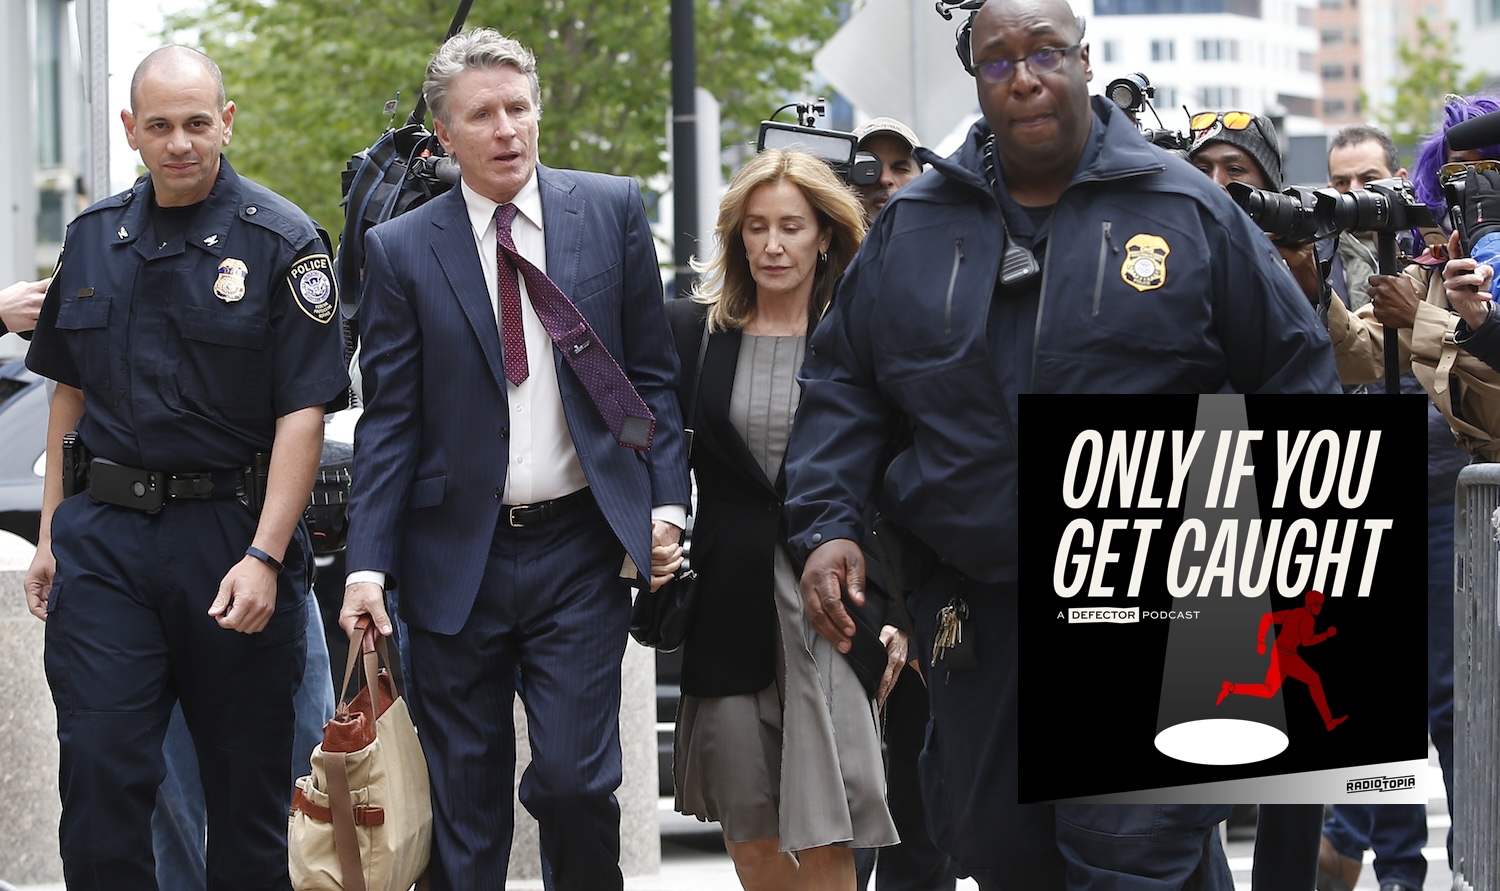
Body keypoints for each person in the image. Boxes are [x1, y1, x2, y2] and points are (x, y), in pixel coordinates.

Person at [781, 0, 1341, 886]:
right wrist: (827, 525)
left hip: (1150, 606)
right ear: (977, 77)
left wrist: (1278, 576)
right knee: (1002, 856)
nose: (1025, 76)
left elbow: (1297, 377)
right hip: (976, 614)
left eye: (1045, 52)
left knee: (1127, 859)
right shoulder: (914, 225)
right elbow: (844, 382)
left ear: (1085, 58)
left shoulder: (1187, 207)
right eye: (999, 60)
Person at [337, 29, 690, 891]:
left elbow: (649, 380)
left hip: (580, 545)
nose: (506, 129)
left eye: (518, 108)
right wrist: (368, 567)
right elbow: (389, 425)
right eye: (482, 115)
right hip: (456, 555)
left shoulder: (608, 211)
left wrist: (666, 506)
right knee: (466, 803)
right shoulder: (401, 250)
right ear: (444, 134)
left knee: (575, 783)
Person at [22, 44, 348, 891]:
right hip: (107, 547)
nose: (180, 143)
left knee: (246, 800)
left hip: (229, 543)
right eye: (160, 125)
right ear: (131, 130)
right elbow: (68, 393)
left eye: (197, 123)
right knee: (99, 773)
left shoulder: (283, 241)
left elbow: (302, 415)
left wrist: (267, 555)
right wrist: (52, 533)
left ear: (227, 122)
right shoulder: (92, 238)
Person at [663, 149, 900, 891]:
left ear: (825, 236)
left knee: (828, 827)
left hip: (836, 605)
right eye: (757, 227)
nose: (772, 244)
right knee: (751, 829)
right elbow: (648, 452)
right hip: (729, 608)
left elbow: (899, 484)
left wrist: (903, 612)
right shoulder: (692, 336)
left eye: (792, 227)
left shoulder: (865, 343)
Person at [1319, 95, 1500, 891]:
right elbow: (1360, 352)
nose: (1467, 193)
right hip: (1373, 504)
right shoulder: (1424, 257)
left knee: (1460, 702)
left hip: (1456, 505)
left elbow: (1480, 379)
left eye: (1483, 178)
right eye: (1457, 178)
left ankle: (1473, 860)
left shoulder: (1461, 258)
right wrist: (1301, 266)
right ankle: (1393, 865)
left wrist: (1428, 319)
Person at [844, 115, 955, 891]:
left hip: (927, 569)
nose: (883, 182)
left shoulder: (949, 274)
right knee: (843, 798)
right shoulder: (808, 285)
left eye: (900, 165)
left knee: (924, 798)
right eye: (864, 169)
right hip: (836, 568)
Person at [1216, 589, 1347, 731]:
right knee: (1314, 680)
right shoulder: (1308, 618)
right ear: (1313, 605)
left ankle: (1231, 687)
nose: (1321, 608)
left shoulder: (1292, 612)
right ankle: (1329, 722)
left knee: (1269, 690)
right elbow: (1307, 642)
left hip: (1276, 652)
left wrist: (1261, 642)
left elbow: (1266, 618)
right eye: (1320, 605)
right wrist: (1326, 635)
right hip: (1285, 656)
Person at [1325, 125, 1407, 312]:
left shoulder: (1428, 254)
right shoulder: (1310, 260)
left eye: (1368, 179)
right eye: (1342, 182)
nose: (1355, 190)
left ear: (1400, 181)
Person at [851, 117, 924, 221]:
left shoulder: (945, 235)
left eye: (900, 169)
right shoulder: (822, 235)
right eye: (869, 167)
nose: (884, 179)